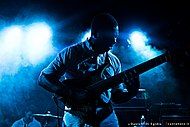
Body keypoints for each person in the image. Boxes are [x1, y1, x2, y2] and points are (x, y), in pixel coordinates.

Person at [38, 13, 140, 127]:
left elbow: (116, 97)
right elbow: (43, 79)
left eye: (116, 36)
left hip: (106, 118)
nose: (115, 40)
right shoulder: (71, 53)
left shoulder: (114, 61)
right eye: (111, 36)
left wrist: (132, 92)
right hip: (76, 118)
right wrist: (70, 93)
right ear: (96, 33)